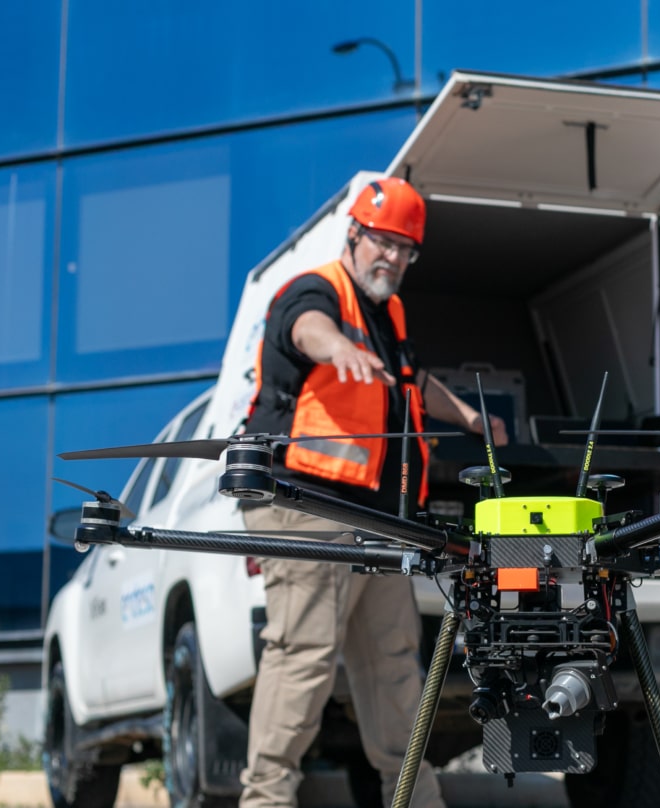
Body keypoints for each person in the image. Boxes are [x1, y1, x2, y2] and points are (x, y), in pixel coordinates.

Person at [239, 177, 507, 808]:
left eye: (404, 249)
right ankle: (265, 801)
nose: (391, 257)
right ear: (354, 236)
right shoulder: (316, 291)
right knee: (303, 657)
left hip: (379, 521)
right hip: (306, 508)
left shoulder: (389, 316)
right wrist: (336, 349)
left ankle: (414, 799)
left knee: (394, 669)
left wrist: (468, 418)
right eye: (382, 242)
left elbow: (415, 382)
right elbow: (306, 329)